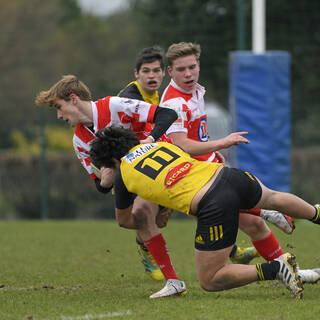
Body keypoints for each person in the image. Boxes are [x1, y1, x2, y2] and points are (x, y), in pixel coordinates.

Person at [35, 74, 250, 298]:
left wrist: (149, 140)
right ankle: (173, 279)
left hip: (165, 164)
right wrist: (105, 181)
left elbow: (167, 115)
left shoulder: (114, 105)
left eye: (59, 107)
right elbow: (100, 185)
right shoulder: (79, 140)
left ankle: (260, 227)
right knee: (134, 217)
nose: (59, 115)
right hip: (135, 180)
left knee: (209, 204)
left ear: (73, 98)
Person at [89, 126, 320, 299]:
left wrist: (108, 182)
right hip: (228, 175)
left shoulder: (123, 176)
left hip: (212, 202)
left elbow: (126, 220)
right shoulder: (163, 145)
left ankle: (277, 268)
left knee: (210, 279)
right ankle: (315, 213)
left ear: (111, 161)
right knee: (274, 197)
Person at [160, 42, 294, 264]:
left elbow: (197, 135)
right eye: (181, 69)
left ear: (199, 65)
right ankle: (268, 213)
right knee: (144, 219)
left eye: (192, 67)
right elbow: (182, 145)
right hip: (192, 177)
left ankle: (285, 267)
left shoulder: (194, 90)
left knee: (253, 225)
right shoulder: (174, 103)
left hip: (207, 167)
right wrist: (221, 143)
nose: (188, 73)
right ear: (170, 71)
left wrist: (211, 150)